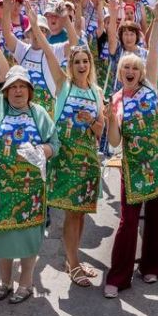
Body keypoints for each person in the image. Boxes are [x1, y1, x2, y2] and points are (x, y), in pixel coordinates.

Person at [0, 43, 59, 304]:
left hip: (29, 193)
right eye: (13, 86)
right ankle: (4, 281)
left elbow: (54, 143)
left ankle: (26, 283)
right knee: (3, 236)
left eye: (22, 87)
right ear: (5, 91)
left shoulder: (38, 113)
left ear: (29, 91)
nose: (17, 91)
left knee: (27, 238)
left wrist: (42, 151)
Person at [103, 0, 158, 299]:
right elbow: (115, 142)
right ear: (120, 74)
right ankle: (118, 276)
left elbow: (155, 48)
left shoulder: (150, 87)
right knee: (128, 221)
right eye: (125, 69)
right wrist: (109, 120)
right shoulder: (116, 100)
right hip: (132, 167)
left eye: (135, 68)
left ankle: (152, 266)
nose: (131, 72)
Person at [45, 44, 106, 288]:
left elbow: (100, 132)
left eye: (85, 61)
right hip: (65, 160)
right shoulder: (63, 86)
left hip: (87, 159)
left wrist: (90, 120)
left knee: (80, 213)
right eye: (77, 62)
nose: (82, 66)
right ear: (70, 66)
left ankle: (73, 261)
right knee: (72, 213)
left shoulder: (96, 92)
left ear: (90, 65)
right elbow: (49, 55)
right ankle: (74, 263)